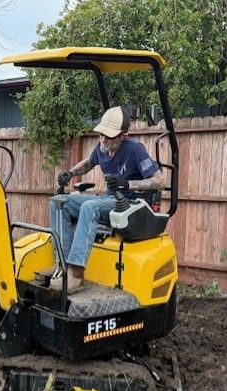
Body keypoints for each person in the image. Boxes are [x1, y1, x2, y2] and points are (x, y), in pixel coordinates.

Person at [48, 106, 166, 293]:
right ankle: (62, 266)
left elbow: (160, 181)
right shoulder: (102, 147)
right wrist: (70, 173)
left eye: (108, 136)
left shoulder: (135, 150)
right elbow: (88, 163)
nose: (102, 139)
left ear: (122, 136)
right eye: (101, 134)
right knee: (58, 202)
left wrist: (127, 184)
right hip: (110, 200)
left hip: (130, 205)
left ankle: (76, 275)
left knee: (89, 207)